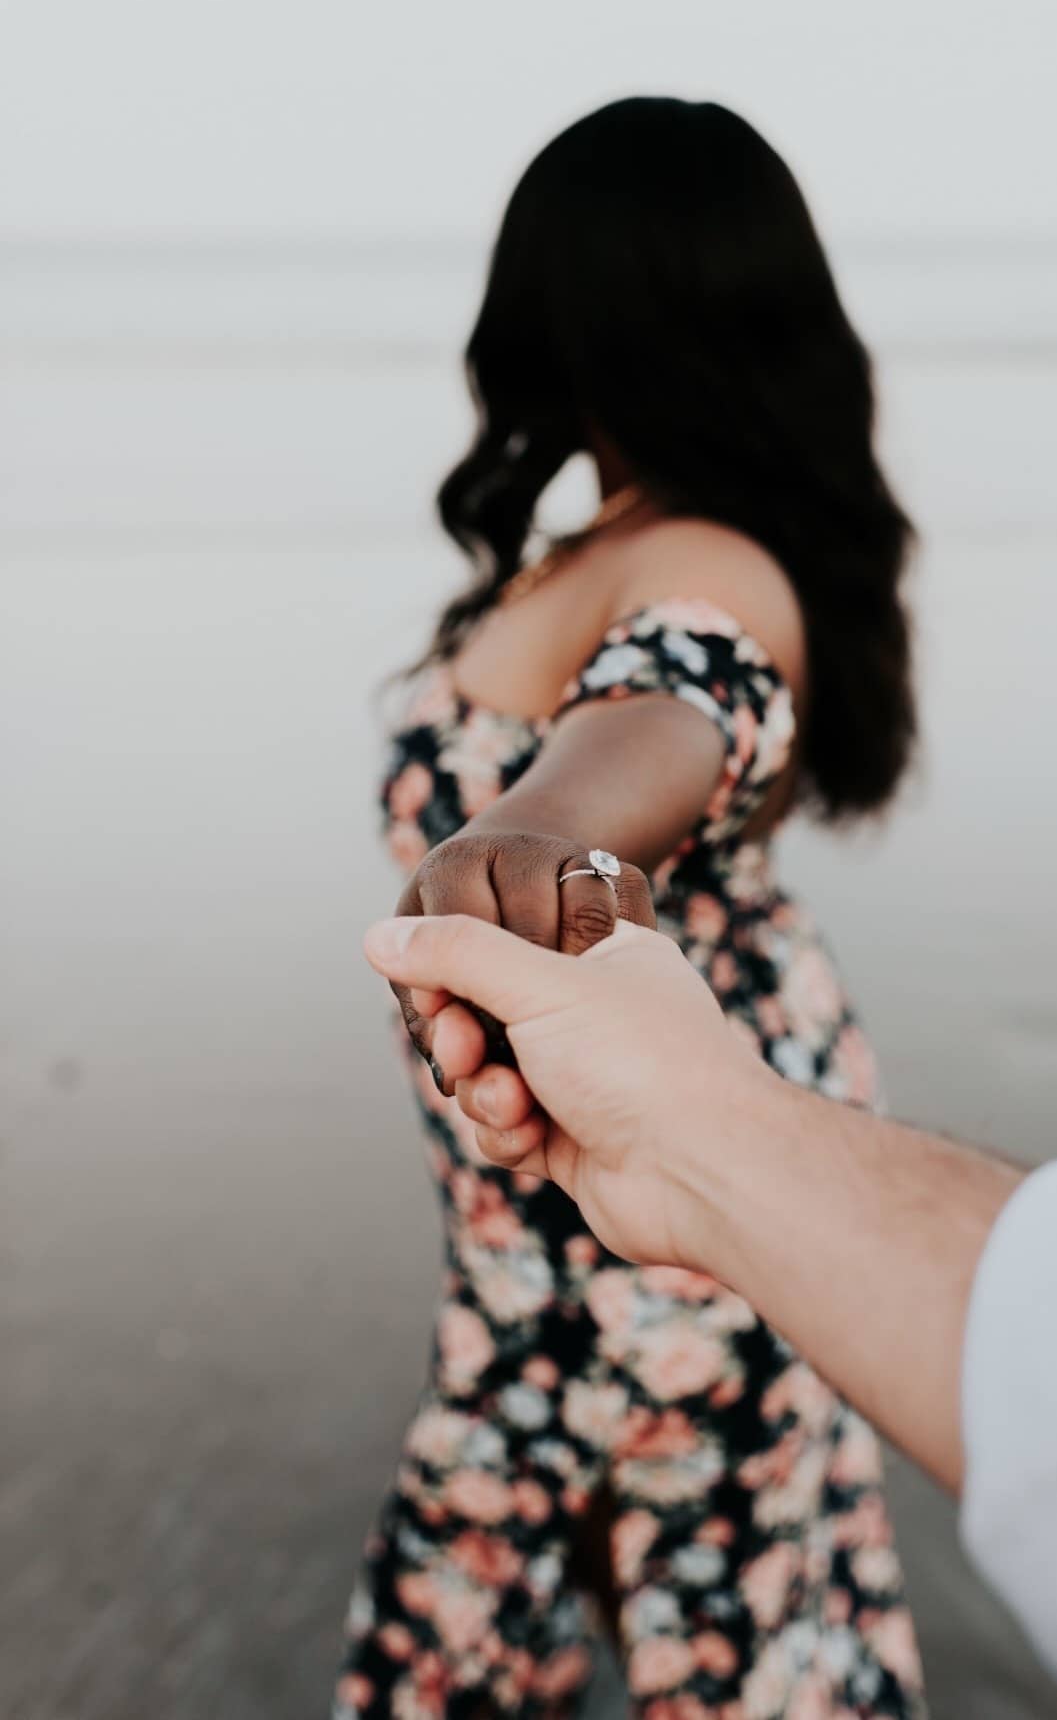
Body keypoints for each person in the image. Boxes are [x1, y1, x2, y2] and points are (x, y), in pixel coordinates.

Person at [334, 97, 927, 1720]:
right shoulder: (607, 538)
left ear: (558, 312)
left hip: (671, 1236)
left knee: (726, 1656)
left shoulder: (717, 567)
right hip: (543, 1253)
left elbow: (670, 708)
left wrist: (530, 829)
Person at [363, 911, 1057, 1720]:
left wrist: (554, 859)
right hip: (566, 1153)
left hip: (682, 1044)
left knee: (718, 1536)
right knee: (532, 1520)